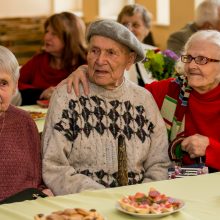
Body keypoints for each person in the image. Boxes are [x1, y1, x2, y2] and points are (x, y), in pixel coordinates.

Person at [42, 19, 170, 195]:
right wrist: (104, 197)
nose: (100, 60)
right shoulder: (67, 95)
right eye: (94, 51)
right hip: (85, 205)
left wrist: (141, 199)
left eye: (111, 53)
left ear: (130, 60)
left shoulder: (143, 100)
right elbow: (53, 166)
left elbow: (159, 163)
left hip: (139, 206)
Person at [64, 29, 220, 172]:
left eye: (202, 59)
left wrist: (211, 148)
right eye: (189, 58)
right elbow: (123, 92)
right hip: (178, 181)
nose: (192, 65)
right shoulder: (172, 90)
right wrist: (89, 72)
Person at [0, 45, 52, 203]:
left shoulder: (24, 121)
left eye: (3, 83)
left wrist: (44, 192)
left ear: (15, 87)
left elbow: (36, 178)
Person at [18, 12, 87, 105]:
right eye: (47, 32)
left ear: (70, 37)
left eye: (54, 34)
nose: (46, 37)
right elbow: (13, 82)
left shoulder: (85, 62)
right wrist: (41, 93)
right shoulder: (39, 59)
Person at [117, 4, 158, 85]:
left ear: (147, 30)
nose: (129, 29)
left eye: (135, 25)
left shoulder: (156, 54)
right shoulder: (109, 54)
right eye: (124, 24)